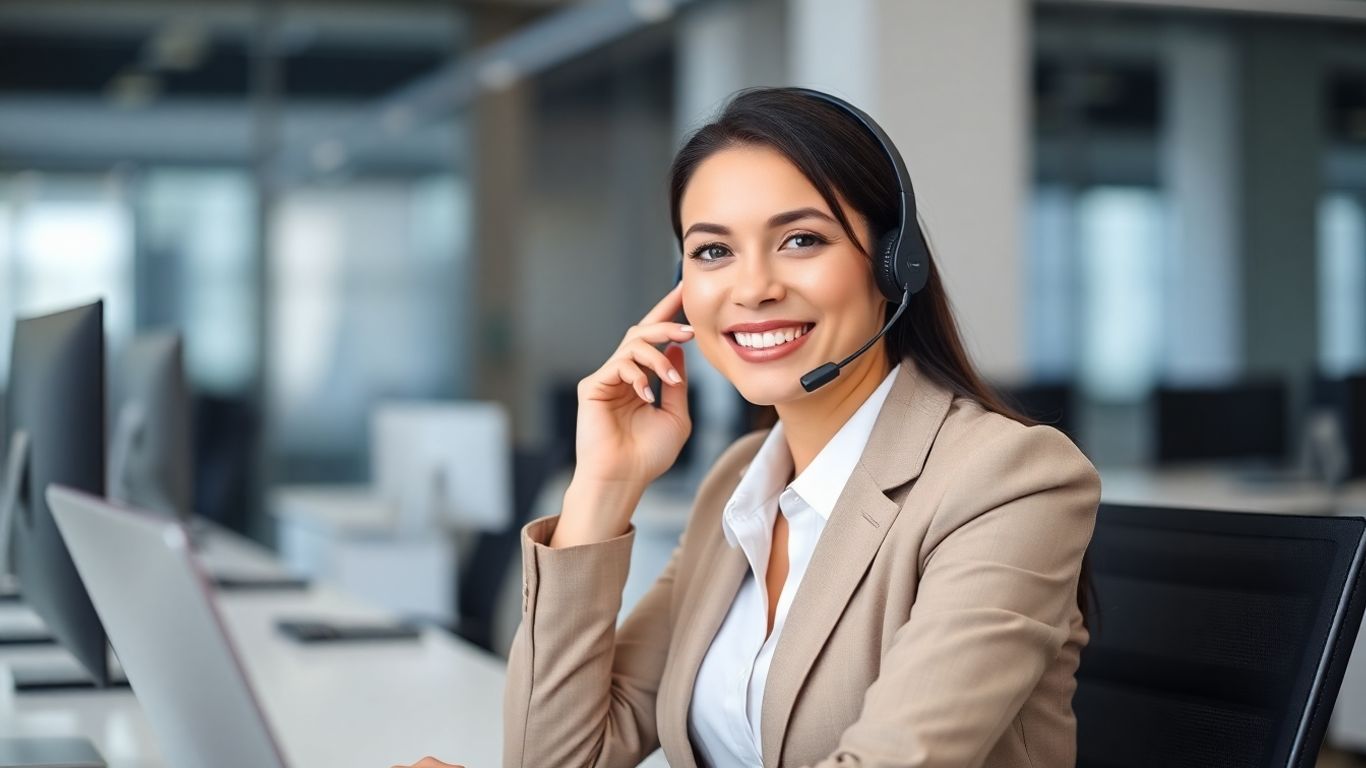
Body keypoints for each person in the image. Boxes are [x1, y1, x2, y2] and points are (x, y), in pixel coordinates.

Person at [403, 86, 1101, 768]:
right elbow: (555, 757)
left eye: (800, 240)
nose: (753, 288)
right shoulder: (738, 486)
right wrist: (601, 490)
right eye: (713, 252)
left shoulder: (1010, 480)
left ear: (894, 264)